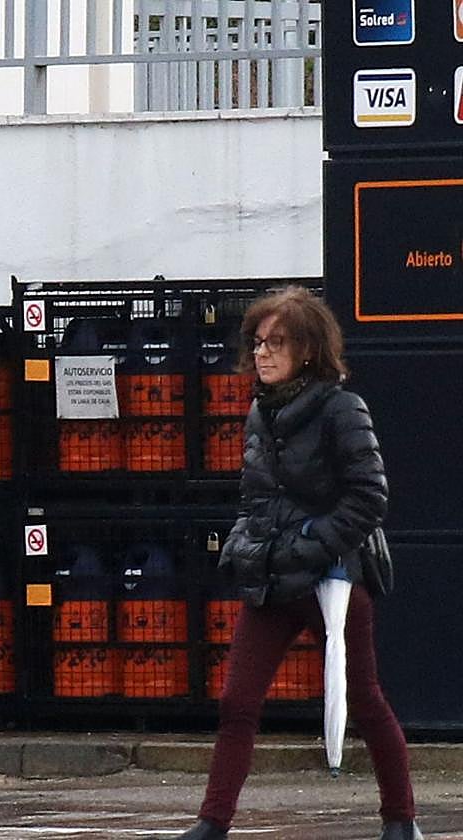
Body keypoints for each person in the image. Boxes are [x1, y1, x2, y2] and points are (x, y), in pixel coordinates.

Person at [175, 286, 422, 840]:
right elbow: (253, 499)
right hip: (272, 579)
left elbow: (368, 498)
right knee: (237, 701)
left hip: (334, 580)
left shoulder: (342, 407)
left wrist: (308, 547)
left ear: (308, 348)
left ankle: (401, 821)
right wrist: (244, 545)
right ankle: (212, 824)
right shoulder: (260, 414)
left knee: (364, 701)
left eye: (276, 343)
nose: (262, 353)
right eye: (258, 342)